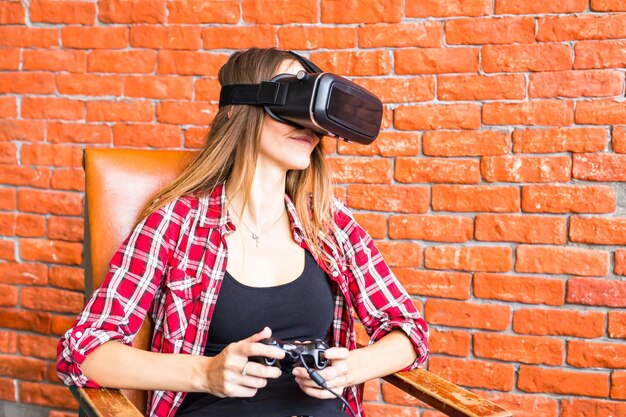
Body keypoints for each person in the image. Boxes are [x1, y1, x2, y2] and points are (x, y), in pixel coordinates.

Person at [57, 47, 429, 417]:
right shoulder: (177, 223)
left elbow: (409, 331)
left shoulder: (329, 224)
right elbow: (84, 351)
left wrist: (353, 367)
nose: (310, 127)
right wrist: (205, 373)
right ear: (241, 107)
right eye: (293, 103)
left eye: (314, 116)